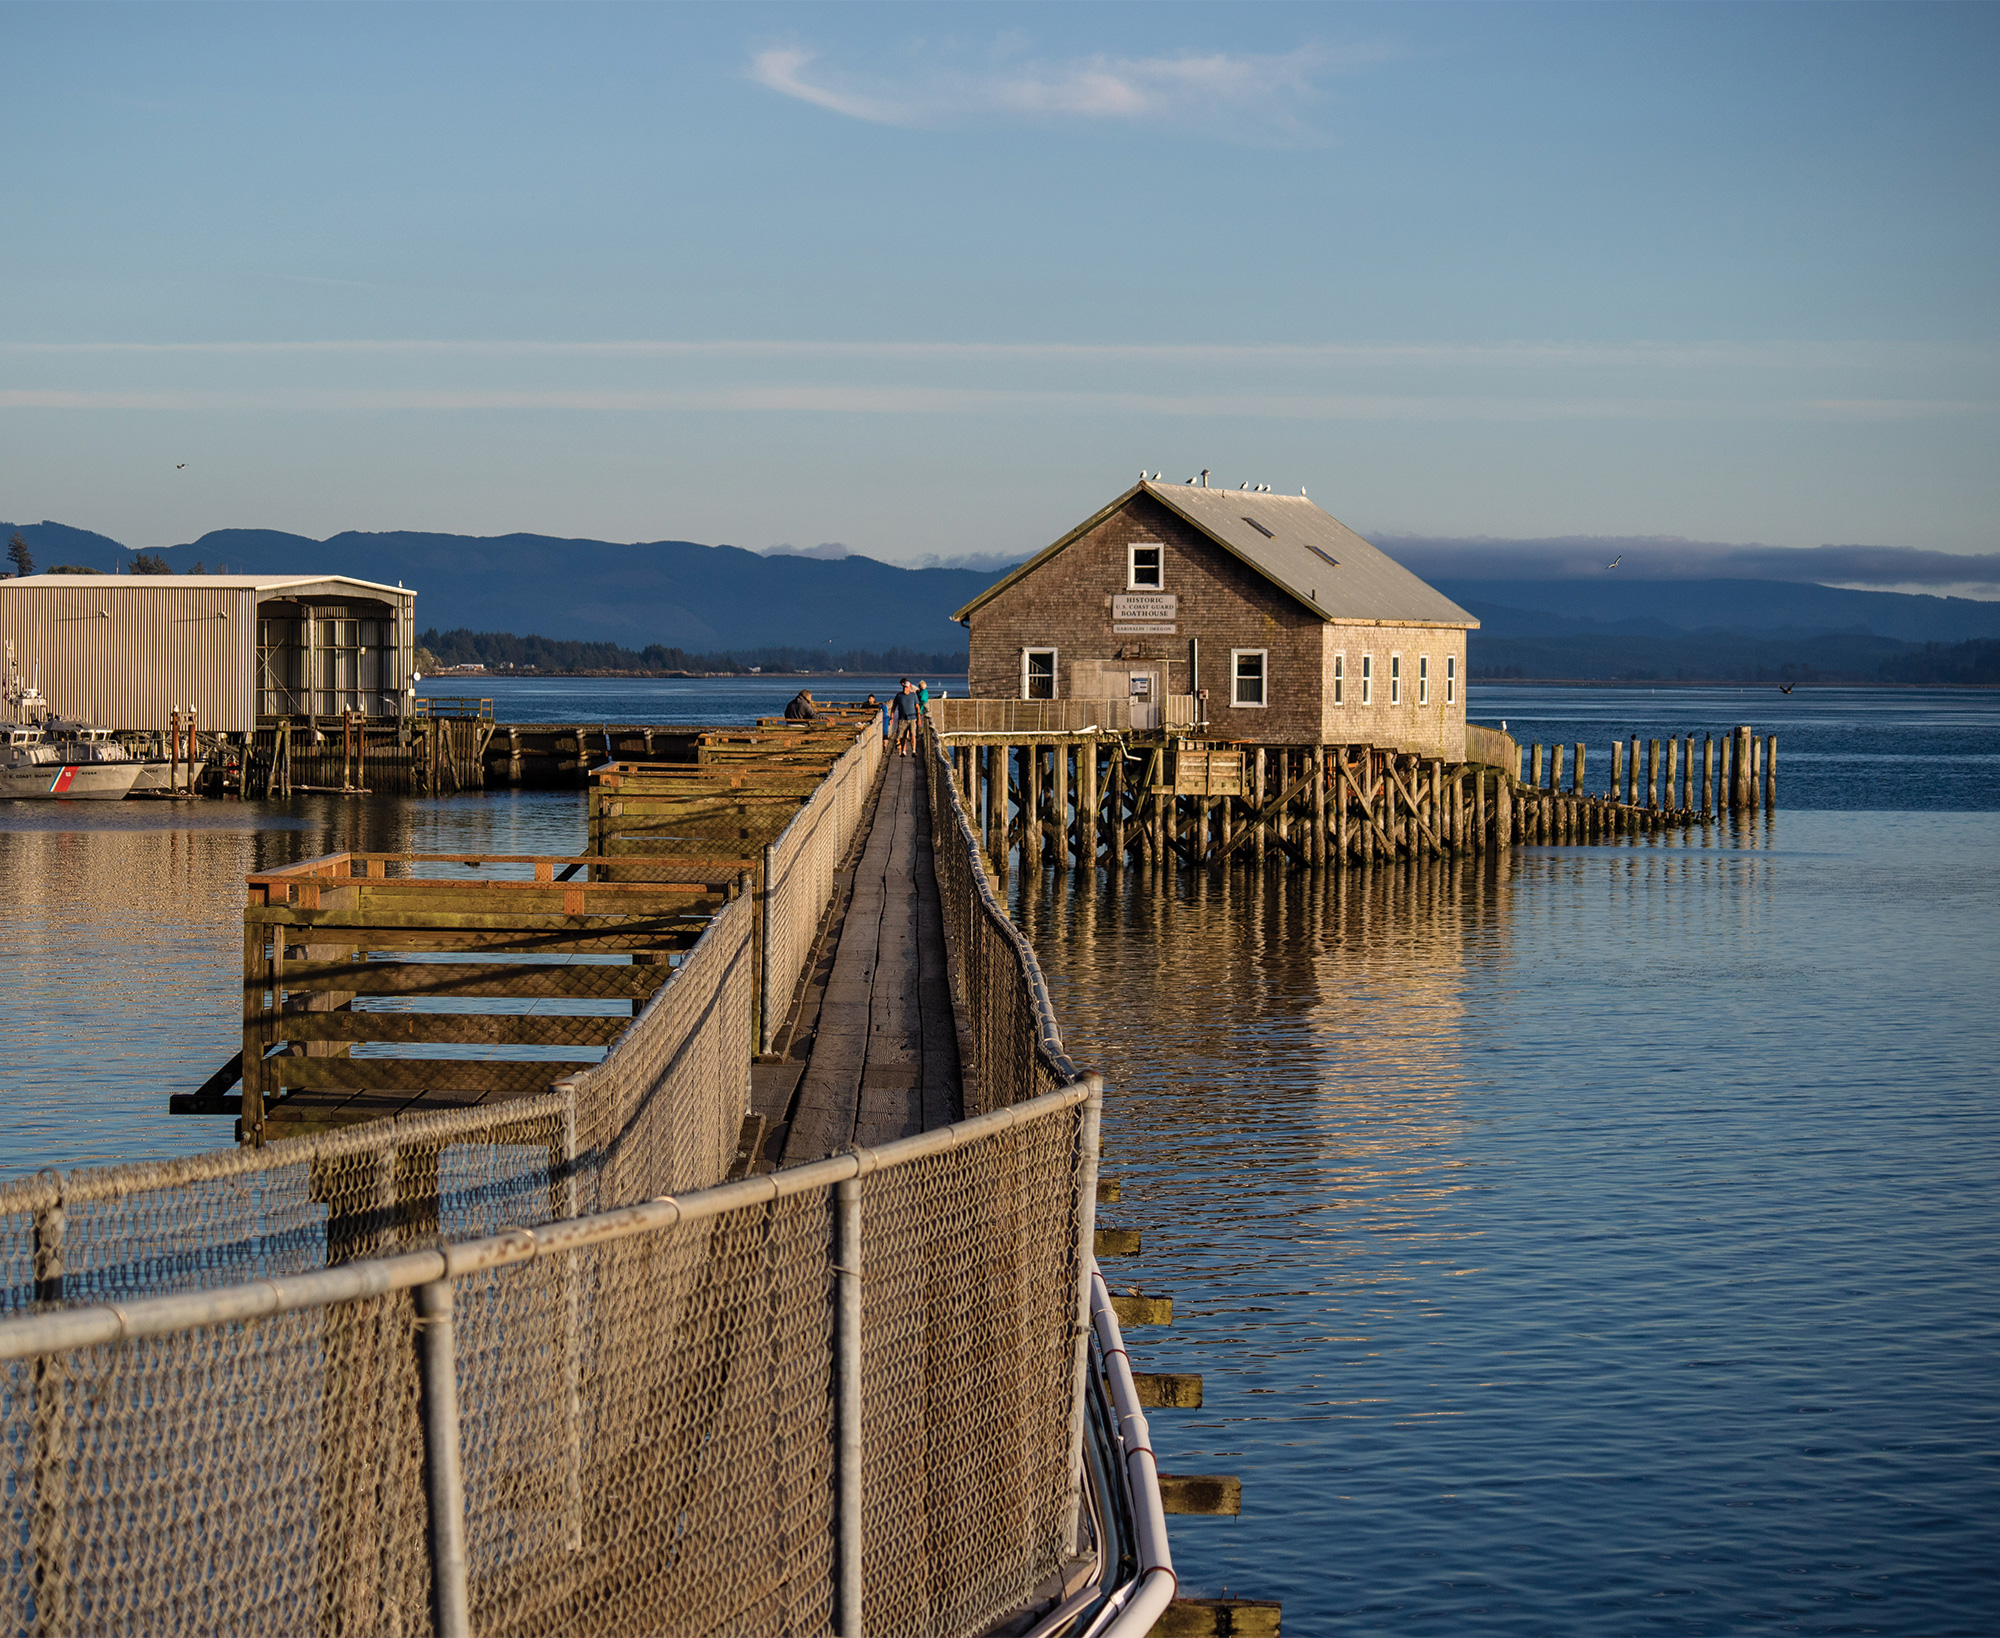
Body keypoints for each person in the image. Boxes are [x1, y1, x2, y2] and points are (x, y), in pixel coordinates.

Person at [892, 678, 922, 755]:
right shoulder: (899, 696)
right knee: (902, 736)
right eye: (904, 687)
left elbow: (917, 707)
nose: (905, 689)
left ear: (909, 688)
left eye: (906, 687)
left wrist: (919, 718)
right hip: (902, 719)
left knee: (913, 735)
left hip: (912, 718)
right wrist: (891, 717)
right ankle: (903, 751)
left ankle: (914, 751)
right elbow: (894, 706)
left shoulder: (913, 695)